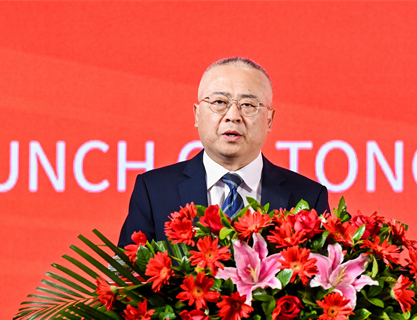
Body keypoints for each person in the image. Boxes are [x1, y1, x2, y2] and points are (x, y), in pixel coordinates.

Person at [118, 57, 329, 247]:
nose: (233, 116)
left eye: (248, 105)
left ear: (269, 120)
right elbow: (127, 272)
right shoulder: (154, 191)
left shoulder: (309, 197)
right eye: (219, 102)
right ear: (197, 114)